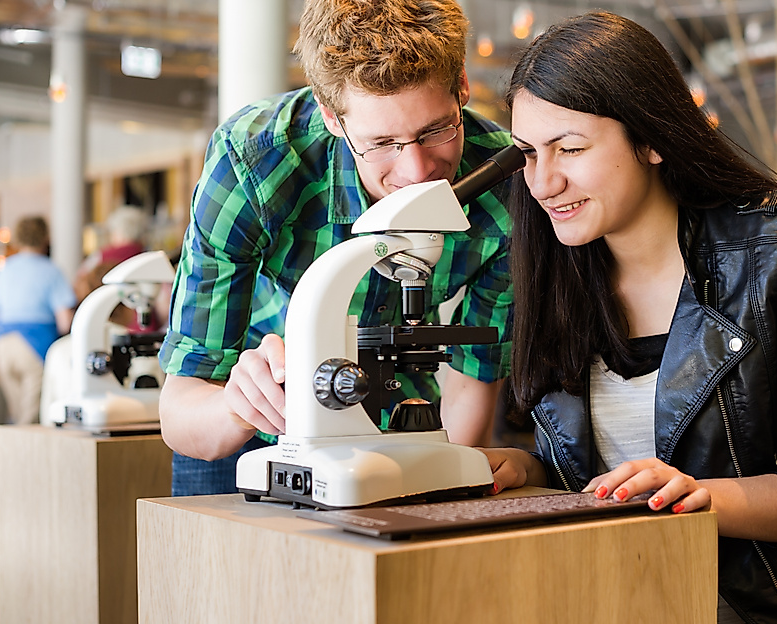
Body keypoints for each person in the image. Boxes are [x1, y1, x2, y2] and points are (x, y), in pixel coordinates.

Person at [480, 12, 777, 624]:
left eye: (570, 148)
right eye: (528, 154)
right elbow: (587, 466)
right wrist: (523, 466)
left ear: (652, 139)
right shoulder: (549, 269)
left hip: (762, 606)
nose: (543, 182)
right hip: (609, 597)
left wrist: (706, 498)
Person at [159, 0, 514, 496]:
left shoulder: (505, 182)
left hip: (406, 421)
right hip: (248, 429)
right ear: (331, 116)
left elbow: (474, 380)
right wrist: (240, 405)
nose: (416, 172)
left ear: (462, 86)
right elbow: (181, 411)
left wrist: (445, 479)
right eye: (382, 141)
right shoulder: (253, 163)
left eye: (435, 130)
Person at [0, 216, 76, 424]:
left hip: (3, 346)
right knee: (30, 419)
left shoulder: (5, 269)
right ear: (45, 238)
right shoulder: (51, 270)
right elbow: (65, 321)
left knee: (15, 414)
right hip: (34, 346)